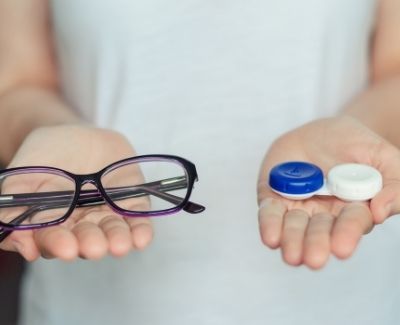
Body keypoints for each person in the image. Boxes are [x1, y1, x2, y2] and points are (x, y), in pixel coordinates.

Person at [1, 0, 400, 324]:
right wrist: (48, 130)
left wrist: (361, 133)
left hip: (350, 304)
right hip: (85, 307)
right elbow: (15, 82)